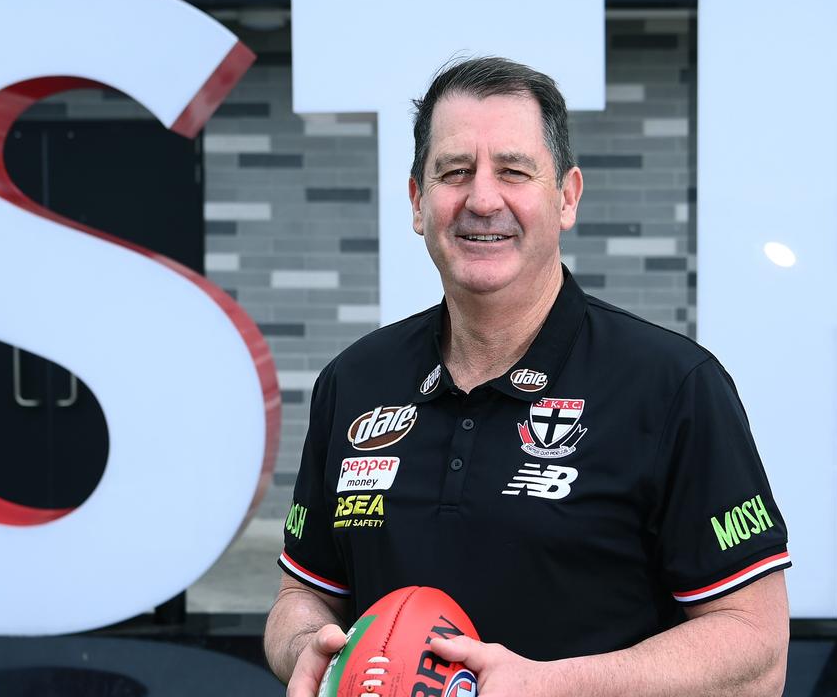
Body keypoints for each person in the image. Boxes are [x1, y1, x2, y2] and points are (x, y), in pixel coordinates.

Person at [264, 57, 791, 697]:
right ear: (416, 201)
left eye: (513, 172)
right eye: (454, 172)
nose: (482, 199)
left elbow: (756, 652)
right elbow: (303, 595)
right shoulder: (354, 383)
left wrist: (557, 685)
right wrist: (305, 650)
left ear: (565, 197)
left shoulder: (674, 386)